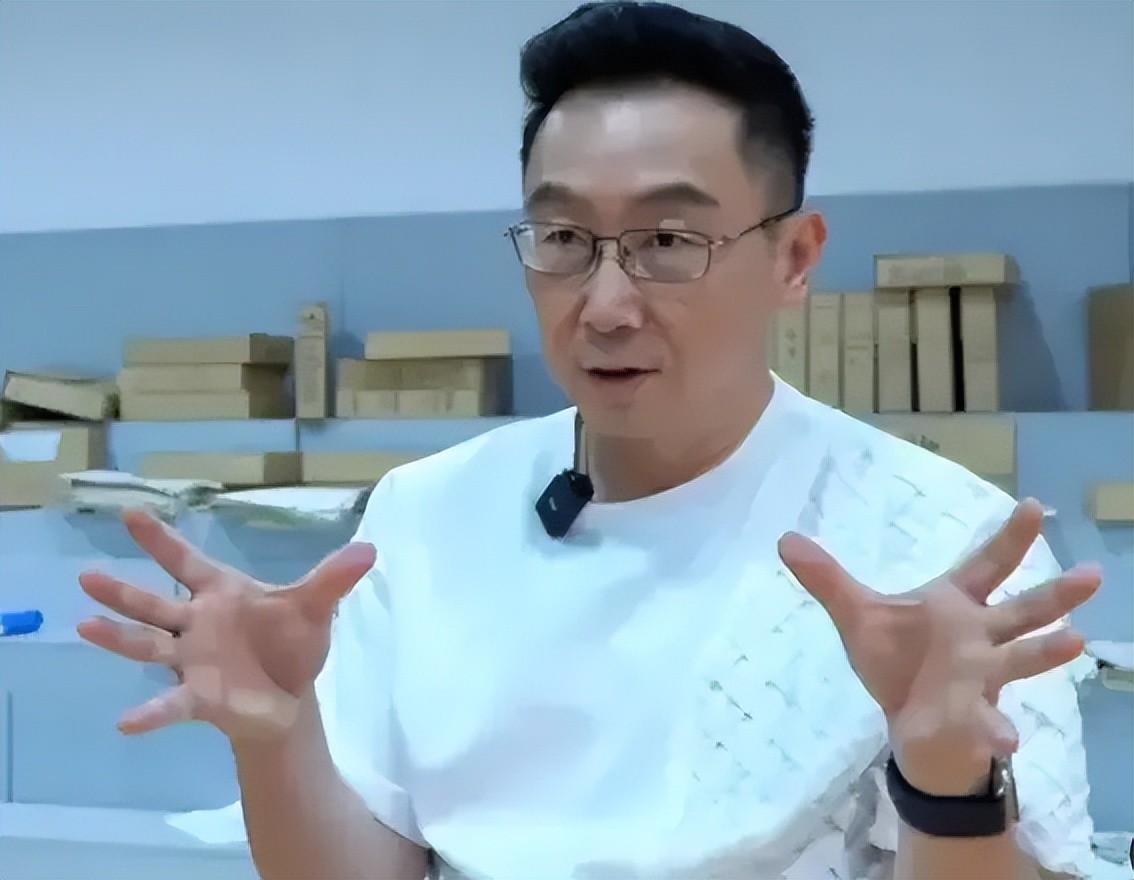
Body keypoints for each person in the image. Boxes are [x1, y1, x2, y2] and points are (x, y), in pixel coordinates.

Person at [77, 3, 1102, 878]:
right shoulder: (425, 513)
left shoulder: (942, 546)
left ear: (794, 257)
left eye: (669, 241)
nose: (606, 305)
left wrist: (947, 780)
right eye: (564, 238)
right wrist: (277, 733)